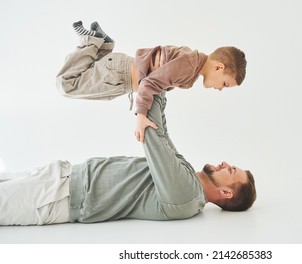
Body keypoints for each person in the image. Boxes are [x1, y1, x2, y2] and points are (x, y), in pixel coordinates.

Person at [0, 93, 256, 226]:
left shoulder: (187, 196)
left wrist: (154, 84)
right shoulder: (187, 173)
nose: (225, 163)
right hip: (64, 176)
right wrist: (164, 84)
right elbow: (163, 132)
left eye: (231, 170)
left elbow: (154, 137)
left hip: (58, 197)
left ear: (225, 192)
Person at [56, 21, 247, 143]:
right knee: (66, 84)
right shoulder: (189, 65)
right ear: (219, 68)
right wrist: (140, 115)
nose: (221, 89)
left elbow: (159, 73)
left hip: (120, 75)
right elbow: (149, 84)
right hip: (118, 75)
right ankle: (91, 41)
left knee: (88, 83)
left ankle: (103, 44)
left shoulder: (193, 62)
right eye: (225, 84)